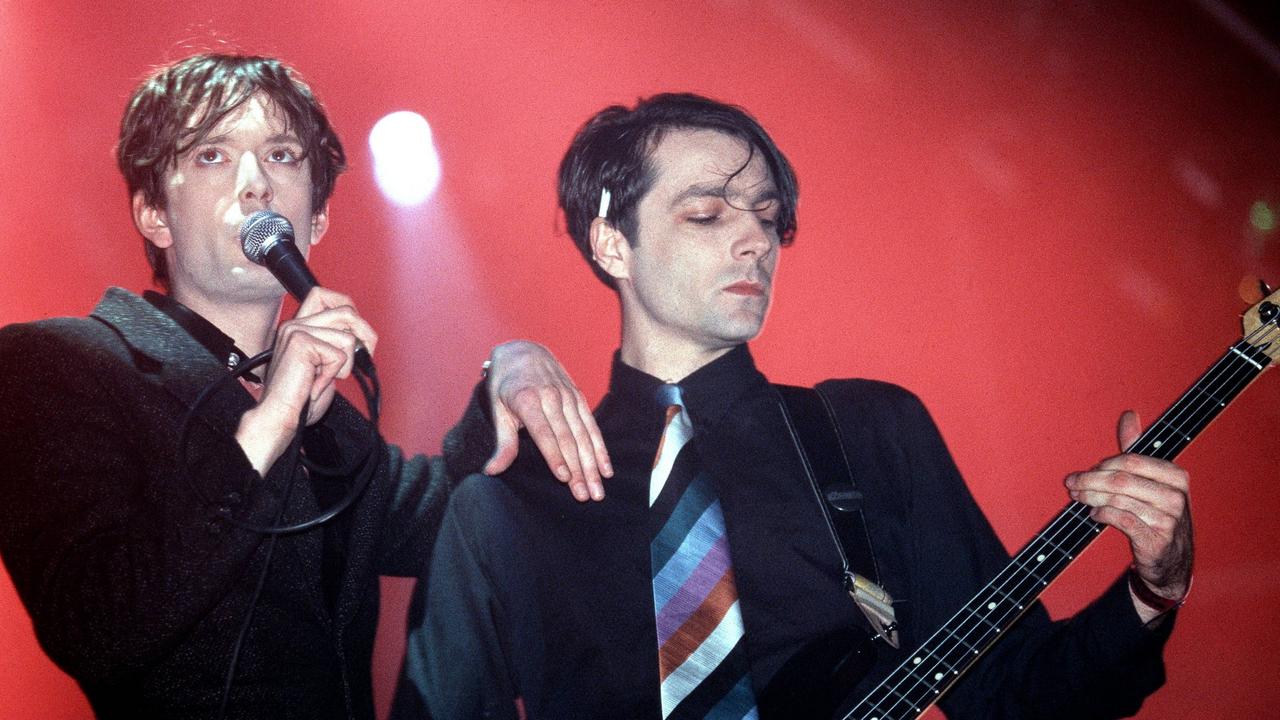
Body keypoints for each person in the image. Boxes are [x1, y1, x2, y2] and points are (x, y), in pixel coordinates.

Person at [391, 93, 1193, 719]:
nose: (755, 241)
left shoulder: (870, 433)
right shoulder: (512, 505)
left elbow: (1020, 696)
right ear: (612, 244)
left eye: (767, 218)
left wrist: (1154, 589)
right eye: (707, 213)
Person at [0, 53, 612, 719]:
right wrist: (267, 428)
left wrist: (512, 366)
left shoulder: (330, 427)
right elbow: (95, 626)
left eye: (283, 156)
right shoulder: (57, 363)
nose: (255, 183)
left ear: (316, 220)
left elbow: (455, 517)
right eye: (211, 155)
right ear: (153, 214)